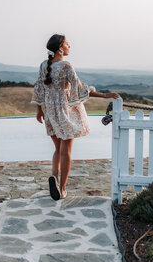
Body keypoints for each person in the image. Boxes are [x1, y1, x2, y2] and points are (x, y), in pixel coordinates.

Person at [31, 34, 120, 200]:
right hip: (65, 111)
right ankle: (63, 189)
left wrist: (39, 110)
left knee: (58, 149)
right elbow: (78, 88)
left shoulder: (44, 65)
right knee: (66, 151)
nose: (69, 46)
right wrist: (104, 95)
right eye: (67, 44)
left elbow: (38, 89)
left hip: (50, 110)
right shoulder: (66, 65)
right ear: (60, 49)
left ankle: (54, 177)